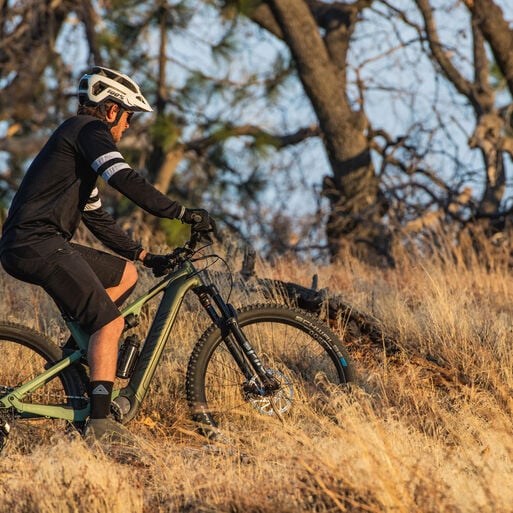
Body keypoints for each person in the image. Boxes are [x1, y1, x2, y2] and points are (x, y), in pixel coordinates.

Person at [0, 66, 216, 442]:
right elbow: (125, 179)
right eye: (129, 116)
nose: (129, 126)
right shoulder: (90, 131)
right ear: (111, 109)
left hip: (35, 242)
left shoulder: (76, 144)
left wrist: (145, 256)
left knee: (125, 275)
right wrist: (182, 213)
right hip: (36, 244)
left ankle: (78, 360)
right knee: (110, 323)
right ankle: (100, 425)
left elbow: (95, 216)